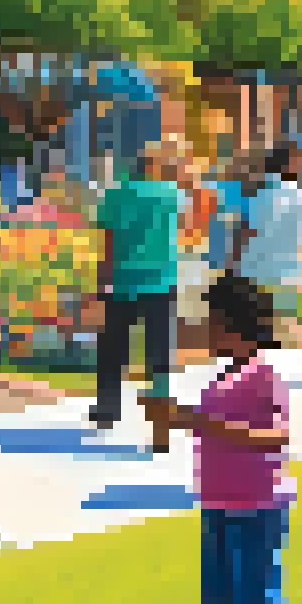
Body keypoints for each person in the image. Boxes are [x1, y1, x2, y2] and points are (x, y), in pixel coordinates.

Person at [144, 273, 295, 604]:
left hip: (257, 507)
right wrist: (172, 420)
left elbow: (278, 434)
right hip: (219, 503)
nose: (207, 331)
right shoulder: (225, 375)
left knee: (262, 601)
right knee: (229, 599)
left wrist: (196, 421)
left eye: (213, 322)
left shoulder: (265, 373)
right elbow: (207, 427)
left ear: (236, 325)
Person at [94, 143, 184, 446]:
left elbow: (108, 244)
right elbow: (189, 227)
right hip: (160, 283)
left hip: (122, 282)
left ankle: (107, 410)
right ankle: (160, 426)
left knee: (112, 350)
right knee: (158, 357)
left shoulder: (114, 195)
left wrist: (102, 282)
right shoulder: (171, 194)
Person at [239, 145, 302, 323]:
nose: (300, 167)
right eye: (297, 163)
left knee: (256, 318)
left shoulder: (259, 190)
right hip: (284, 267)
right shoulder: (296, 194)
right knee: (280, 320)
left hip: (257, 265)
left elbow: (248, 229)